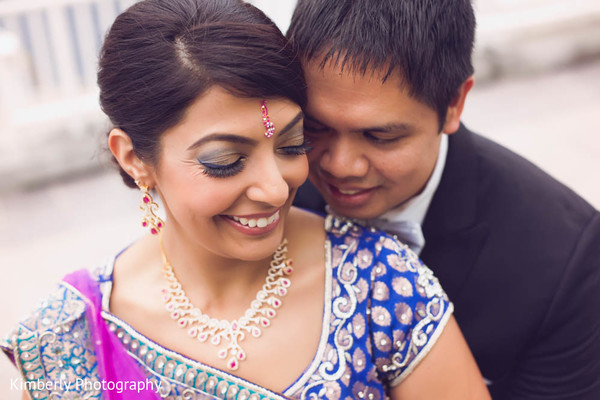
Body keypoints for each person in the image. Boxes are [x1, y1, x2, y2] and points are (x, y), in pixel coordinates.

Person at [0, 0, 491, 399]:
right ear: (134, 158)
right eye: (225, 161)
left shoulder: (379, 282)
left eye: (292, 144)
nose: (276, 188)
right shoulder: (70, 336)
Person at [287, 0, 600, 399]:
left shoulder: (565, 259)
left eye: (381, 137)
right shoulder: (267, 195)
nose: (340, 165)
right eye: (314, 127)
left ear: (454, 104)